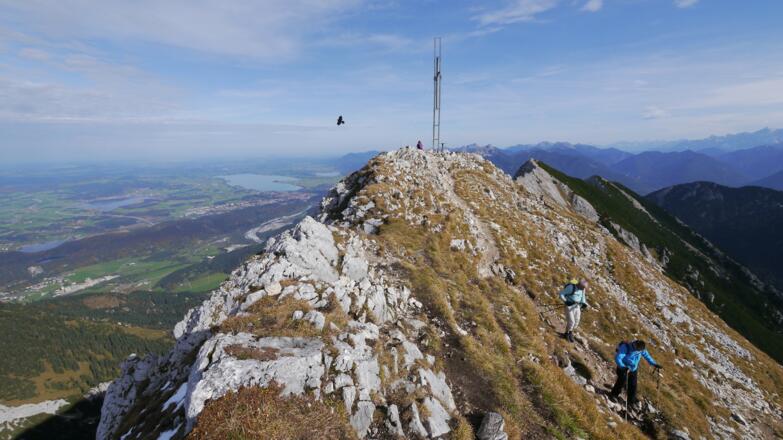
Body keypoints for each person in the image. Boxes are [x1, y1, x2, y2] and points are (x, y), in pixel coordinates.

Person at [610, 340, 662, 410]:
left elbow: (647, 356)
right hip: (623, 367)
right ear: (635, 345)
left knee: (633, 384)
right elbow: (618, 358)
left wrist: (654, 364)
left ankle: (631, 400)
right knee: (622, 381)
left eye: (640, 350)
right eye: (638, 350)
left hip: (633, 369)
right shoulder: (626, 347)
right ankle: (614, 395)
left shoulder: (641, 349)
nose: (639, 351)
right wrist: (623, 367)